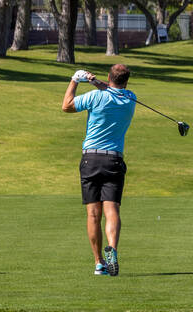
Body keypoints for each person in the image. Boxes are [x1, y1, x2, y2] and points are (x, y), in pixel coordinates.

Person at [62, 64, 136, 276]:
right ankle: (112, 248)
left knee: (93, 214)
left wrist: (75, 80)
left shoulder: (95, 97)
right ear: (127, 81)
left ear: (108, 77)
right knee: (112, 210)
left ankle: (99, 263)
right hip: (114, 160)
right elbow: (113, 89)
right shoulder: (130, 98)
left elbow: (66, 105)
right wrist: (95, 82)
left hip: (91, 159)